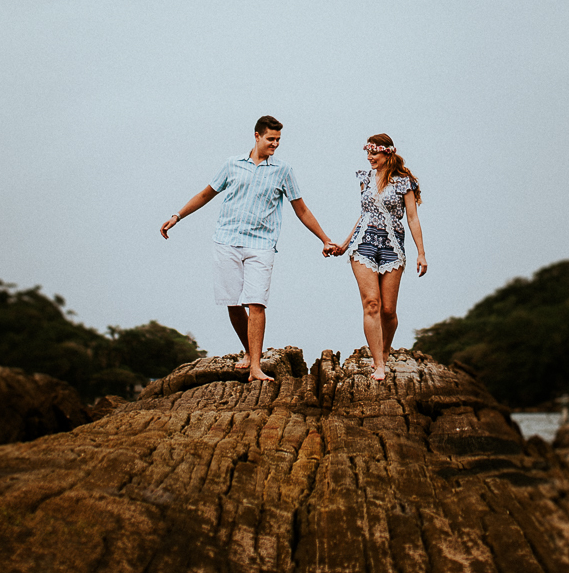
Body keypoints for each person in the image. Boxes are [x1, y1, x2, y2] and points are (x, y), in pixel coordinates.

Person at [160, 115, 338, 382]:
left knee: (256, 303)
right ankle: (248, 350)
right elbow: (205, 194)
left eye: (278, 140)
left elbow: (301, 209)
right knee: (233, 303)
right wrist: (177, 216)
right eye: (271, 139)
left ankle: (256, 366)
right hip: (227, 240)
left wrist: (324, 238)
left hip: (262, 245)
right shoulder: (232, 165)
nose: (275, 144)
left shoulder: (283, 170)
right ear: (257, 136)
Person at [331, 133, 427, 381]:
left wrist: (421, 253)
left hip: (392, 245)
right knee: (371, 303)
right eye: (368, 153)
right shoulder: (365, 178)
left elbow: (413, 218)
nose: (370, 157)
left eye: (374, 153)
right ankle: (378, 364)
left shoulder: (403, 182)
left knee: (388, 310)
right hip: (363, 243)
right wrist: (344, 243)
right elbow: (363, 214)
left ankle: (385, 351)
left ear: (388, 153)